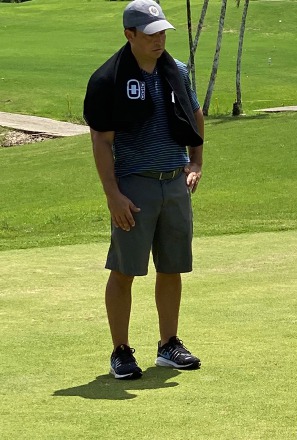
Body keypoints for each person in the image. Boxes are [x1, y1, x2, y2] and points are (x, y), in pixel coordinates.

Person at [83, 0, 205, 380]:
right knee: (124, 271)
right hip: (133, 187)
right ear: (129, 35)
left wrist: (196, 161)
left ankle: (169, 345)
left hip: (174, 182)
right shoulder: (108, 80)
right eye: (151, 33)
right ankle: (120, 351)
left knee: (172, 268)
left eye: (162, 32)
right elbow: (102, 141)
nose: (159, 39)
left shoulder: (177, 71)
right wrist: (112, 195)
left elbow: (195, 114)